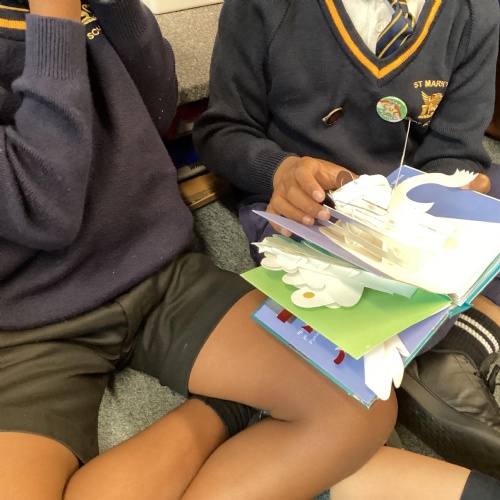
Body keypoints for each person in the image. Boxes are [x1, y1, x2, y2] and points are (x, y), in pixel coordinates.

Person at [1, 2, 499, 500]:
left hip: (160, 274)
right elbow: (45, 208)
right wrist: (56, 19)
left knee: (359, 400)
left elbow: (156, 110)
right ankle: (235, 411)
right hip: (27, 322)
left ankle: (237, 409)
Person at [193, 0, 500, 480]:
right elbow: (220, 131)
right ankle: (443, 347)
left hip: (414, 203)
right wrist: (279, 170)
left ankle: (446, 341)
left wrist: (450, 193)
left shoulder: (475, 12)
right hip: (306, 207)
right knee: (329, 300)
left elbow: (456, 149)